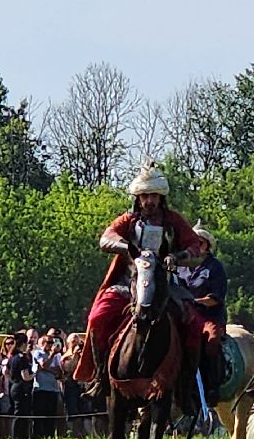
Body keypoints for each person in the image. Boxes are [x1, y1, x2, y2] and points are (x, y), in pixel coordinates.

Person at [75, 161, 207, 398]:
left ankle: (185, 386)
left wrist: (177, 258)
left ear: (160, 197)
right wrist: (127, 248)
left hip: (166, 284)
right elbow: (106, 238)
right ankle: (101, 377)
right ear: (138, 197)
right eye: (145, 196)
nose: (150, 201)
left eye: (154, 196)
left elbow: (195, 247)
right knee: (97, 318)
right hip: (128, 283)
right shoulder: (128, 220)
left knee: (195, 326)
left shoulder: (173, 221)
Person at [177, 222, 228, 405]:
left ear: (207, 245)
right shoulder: (180, 266)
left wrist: (194, 302)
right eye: (192, 243)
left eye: (199, 243)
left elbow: (216, 298)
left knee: (211, 340)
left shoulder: (215, 267)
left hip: (209, 317)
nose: (195, 246)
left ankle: (213, 386)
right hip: (184, 316)